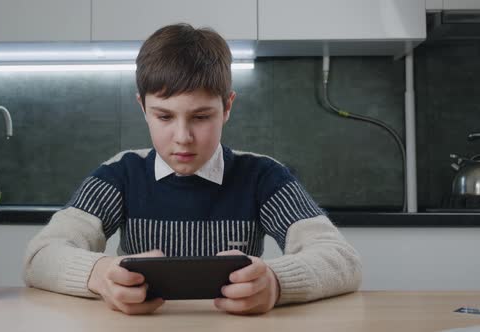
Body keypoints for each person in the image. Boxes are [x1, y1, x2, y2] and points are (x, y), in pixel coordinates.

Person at [23, 23, 362, 315]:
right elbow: (39, 255)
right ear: (142, 107)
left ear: (227, 106)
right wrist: (99, 274)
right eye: (164, 116)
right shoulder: (120, 174)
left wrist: (276, 282)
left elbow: (341, 259)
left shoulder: (263, 176)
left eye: (201, 117)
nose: (183, 138)